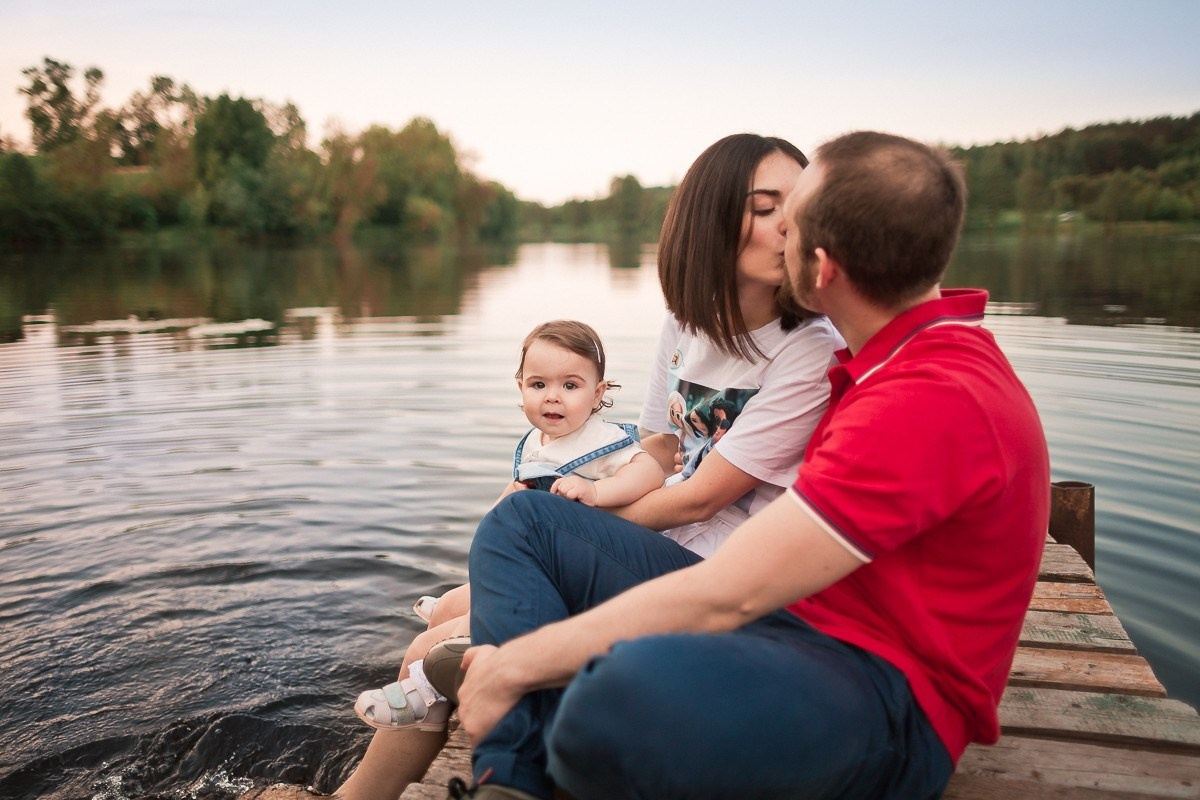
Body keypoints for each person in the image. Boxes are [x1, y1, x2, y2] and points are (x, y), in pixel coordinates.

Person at [438, 131, 1051, 800]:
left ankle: (521, 720)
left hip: (888, 703)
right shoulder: (892, 363)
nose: (778, 231)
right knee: (524, 522)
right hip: (799, 630)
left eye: (792, 218)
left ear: (820, 268)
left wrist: (513, 665)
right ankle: (510, 779)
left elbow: (729, 591)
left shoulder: (929, 397)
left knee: (610, 699)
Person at [333, 132, 842, 800]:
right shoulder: (686, 324)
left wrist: (577, 514)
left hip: (730, 568)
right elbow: (660, 449)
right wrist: (588, 501)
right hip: (668, 536)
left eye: (798, 207)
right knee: (444, 616)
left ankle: (500, 771)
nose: (789, 226)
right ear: (711, 220)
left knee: (451, 627)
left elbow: (703, 497)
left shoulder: (809, 349)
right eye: (766, 207)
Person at [352, 319, 664, 733]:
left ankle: (423, 689)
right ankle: (442, 648)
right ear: (521, 387)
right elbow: (517, 493)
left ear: (597, 393)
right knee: (454, 600)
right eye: (539, 385)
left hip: (576, 569)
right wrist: (499, 512)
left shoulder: (600, 441)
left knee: (453, 628)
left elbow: (650, 472)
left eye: (571, 385)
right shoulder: (538, 441)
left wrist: (597, 492)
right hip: (538, 561)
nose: (552, 396)